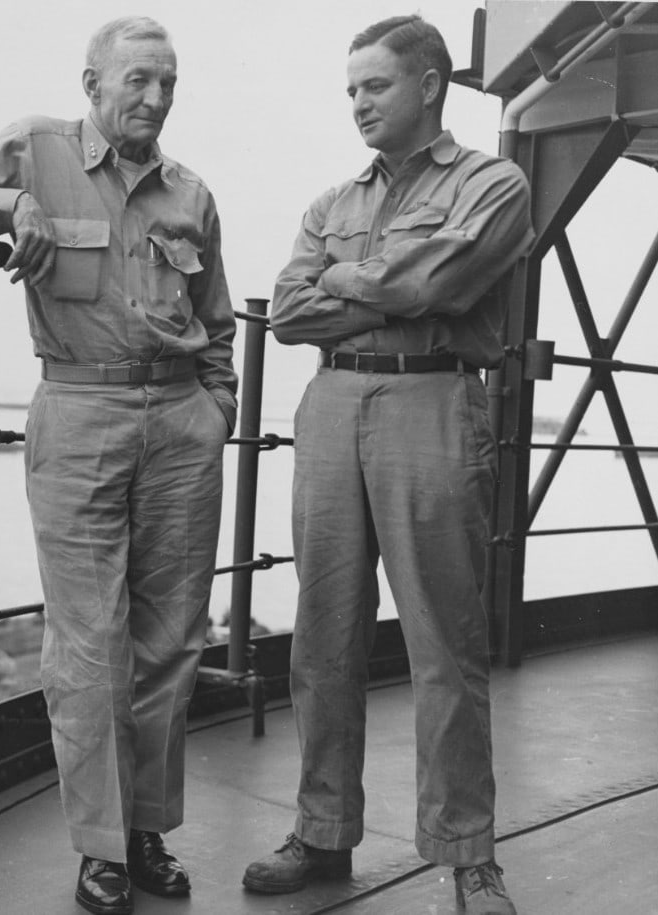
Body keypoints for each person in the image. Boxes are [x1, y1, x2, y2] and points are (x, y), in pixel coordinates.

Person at [0, 16, 236, 914]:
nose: (155, 99)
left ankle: (146, 829)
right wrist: (10, 208)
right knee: (88, 644)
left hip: (181, 424)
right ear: (92, 84)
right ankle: (100, 847)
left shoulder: (190, 194)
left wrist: (217, 411)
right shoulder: (36, 149)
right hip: (80, 410)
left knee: (169, 640)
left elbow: (219, 323)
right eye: (137, 82)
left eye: (167, 82)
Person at [241, 16, 533, 915]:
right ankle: (322, 832)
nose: (358, 105)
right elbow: (288, 310)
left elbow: (436, 285)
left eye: (374, 86)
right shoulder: (332, 203)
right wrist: (378, 283)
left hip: (432, 402)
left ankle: (466, 854)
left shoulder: (494, 182)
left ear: (430, 84)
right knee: (322, 634)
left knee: (444, 643)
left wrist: (349, 282)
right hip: (332, 407)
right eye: (350, 91)